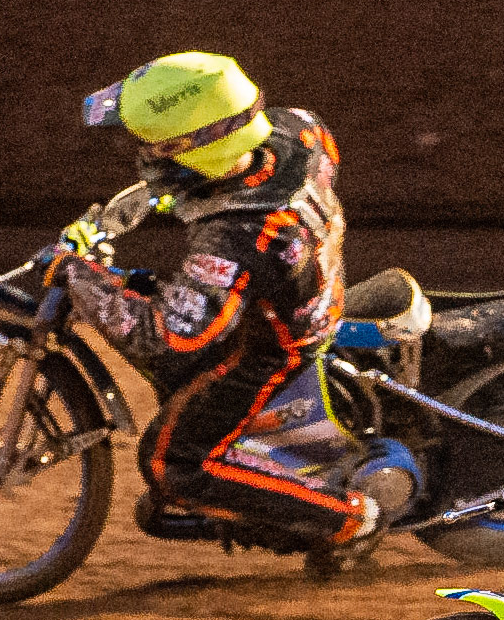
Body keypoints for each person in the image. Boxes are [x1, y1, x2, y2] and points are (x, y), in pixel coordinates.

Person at [43, 50, 379, 561]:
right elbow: (195, 187)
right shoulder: (298, 130)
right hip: (301, 286)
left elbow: (167, 336)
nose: (141, 152)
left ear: (196, 148)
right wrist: (135, 208)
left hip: (272, 345)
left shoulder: (240, 236)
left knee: (175, 464)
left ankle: (347, 518)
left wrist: (82, 277)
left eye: (151, 144)